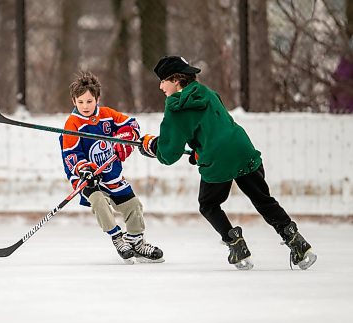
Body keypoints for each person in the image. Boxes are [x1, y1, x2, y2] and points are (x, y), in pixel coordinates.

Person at [138, 55, 317, 270]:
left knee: (209, 204)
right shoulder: (208, 93)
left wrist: (152, 145)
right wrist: (199, 152)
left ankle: (237, 245)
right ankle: (298, 243)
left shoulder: (176, 106)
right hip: (242, 149)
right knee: (263, 200)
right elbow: (212, 129)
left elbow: (169, 153)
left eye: (163, 81)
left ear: (176, 79)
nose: (160, 86)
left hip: (218, 160)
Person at [59, 71, 164, 264]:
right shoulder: (72, 123)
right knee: (99, 201)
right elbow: (71, 155)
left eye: (89, 101)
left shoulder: (107, 115)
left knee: (134, 206)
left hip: (111, 175)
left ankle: (136, 242)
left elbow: (131, 126)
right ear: (74, 101)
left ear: (97, 99)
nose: (85, 106)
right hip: (87, 178)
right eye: (80, 102)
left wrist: (124, 140)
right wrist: (85, 169)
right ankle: (118, 238)